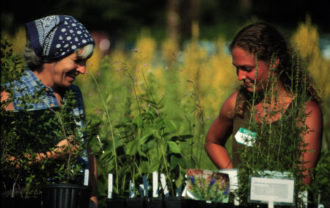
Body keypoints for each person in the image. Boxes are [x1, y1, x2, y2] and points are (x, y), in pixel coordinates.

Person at [205, 22, 322, 187]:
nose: (239, 76)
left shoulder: (306, 111)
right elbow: (212, 142)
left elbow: (303, 181)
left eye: (247, 68)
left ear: (274, 62)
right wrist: (235, 179)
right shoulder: (237, 102)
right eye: (236, 68)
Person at [1, 15, 98, 207]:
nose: (83, 70)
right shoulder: (11, 97)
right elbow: (5, 163)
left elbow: (86, 150)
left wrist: (93, 198)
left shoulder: (73, 94)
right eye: (77, 60)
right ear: (50, 55)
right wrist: (53, 153)